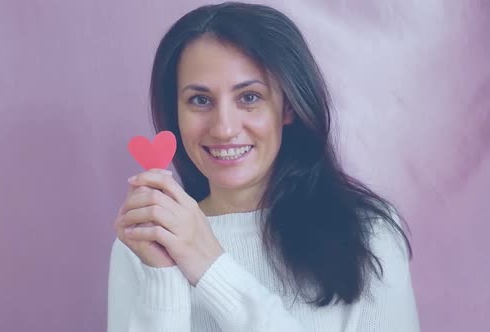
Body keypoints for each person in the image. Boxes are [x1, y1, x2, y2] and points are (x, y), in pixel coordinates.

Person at [107, 2, 420, 331]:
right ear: (176, 115)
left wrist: (211, 267)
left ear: (288, 107)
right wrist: (163, 279)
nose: (224, 128)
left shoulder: (368, 232)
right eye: (200, 100)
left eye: (249, 97)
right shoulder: (141, 244)